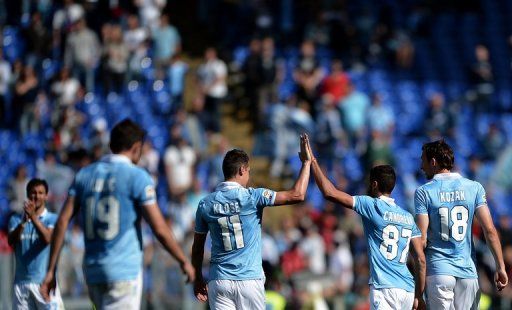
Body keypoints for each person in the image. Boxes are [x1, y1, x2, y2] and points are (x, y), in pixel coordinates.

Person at [40, 119, 195, 309]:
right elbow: (160, 229)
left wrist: (50, 270)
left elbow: (62, 222)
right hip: (123, 270)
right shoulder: (137, 176)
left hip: (93, 270)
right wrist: (183, 260)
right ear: (137, 147)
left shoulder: (84, 175)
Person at [304, 135, 426, 310]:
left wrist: (312, 161)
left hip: (384, 289)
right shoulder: (407, 217)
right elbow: (420, 259)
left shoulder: (371, 205)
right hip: (407, 289)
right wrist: (419, 295)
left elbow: (330, 192)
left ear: (374, 184)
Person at [192, 135, 311, 309]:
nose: (248, 176)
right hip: (248, 279)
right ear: (241, 170)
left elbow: (197, 247)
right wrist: (306, 163)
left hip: (219, 280)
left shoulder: (205, 203)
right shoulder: (252, 197)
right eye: (248, 171)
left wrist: (197, 278)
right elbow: (297, 194)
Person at [414, 139, 508, 309]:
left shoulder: (423, 192)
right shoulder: (474, 188)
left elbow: (421, 239)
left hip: (439, 269)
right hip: (467, 272)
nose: (422, 166)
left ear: (433, 162)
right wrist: (500, 266)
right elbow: (490, 231)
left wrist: (417, 283)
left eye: (423, 160)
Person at [8, 178, 64, 309]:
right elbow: (11, 241)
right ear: (28, 195)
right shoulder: (15, 220)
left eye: (40, 193)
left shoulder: (52, 218)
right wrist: (23, 222)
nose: (36, 196)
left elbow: (48, 239)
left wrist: (33, 217)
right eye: (33, 192)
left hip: (44, 284)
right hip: (21, 285)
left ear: (46, 196)